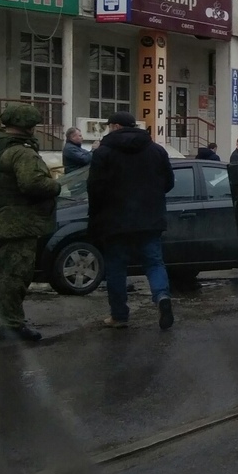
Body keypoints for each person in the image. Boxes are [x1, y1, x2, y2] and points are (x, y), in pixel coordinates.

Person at [0, 104, 60, 342]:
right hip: (17, 224)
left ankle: (8, 321)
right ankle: (12, 325)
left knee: (2, 275)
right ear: (30, 127)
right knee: (16, 276)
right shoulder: (21, 152)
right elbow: (32, 184)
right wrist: (55, 185)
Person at [89, 111, 176, 331]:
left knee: (116, 267)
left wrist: (96, 217)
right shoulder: (156, 150)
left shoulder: (104, 153)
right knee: (154, 262)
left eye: (109, 125)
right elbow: (169, 183)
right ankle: (162, 296)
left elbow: (95, 188)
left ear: (116, 126)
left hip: (115, 220)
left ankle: (119, 316)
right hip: (150, 218)